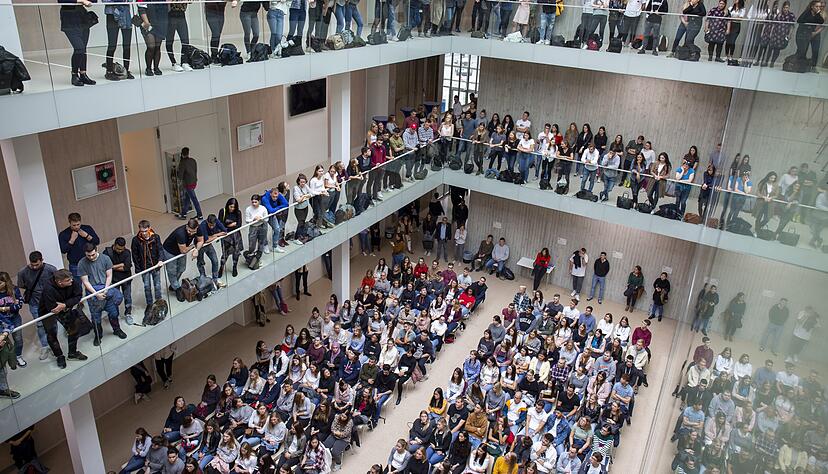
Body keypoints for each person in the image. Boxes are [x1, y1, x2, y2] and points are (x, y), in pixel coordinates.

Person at [78, 244, 127, 346]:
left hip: (106, 290)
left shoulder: (105, 259)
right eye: (88, 255)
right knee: (96, 318)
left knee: (114, 313)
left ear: (96, 250)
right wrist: (96, 294)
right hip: (93, 293)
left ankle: (117, 330)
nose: (91, 257)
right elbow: (85, 282)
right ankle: (98, 335)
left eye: (93, 255)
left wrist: (106, 289)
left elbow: (109, 276)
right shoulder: (82, 263)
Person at [38, 269, 86, 369]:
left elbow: (78, 295)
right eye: (68, 280)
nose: (71, 281)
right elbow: (52, 307)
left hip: (64, 307)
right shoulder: (48, 288)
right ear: (60, 282)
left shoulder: (72, 282)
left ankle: (72, 353)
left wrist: (65, 304)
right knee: (51, 334)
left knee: (74, 328)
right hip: (47, 312)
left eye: (71, 279)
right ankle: (59, 356)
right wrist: (64, 304)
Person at [16, 251, 57, 361]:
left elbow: (57, 283)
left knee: (53, 324)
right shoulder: (23, 272)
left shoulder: (51, 269)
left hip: (50, 301)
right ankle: (45, 346)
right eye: (32, 264)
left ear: (42, 260)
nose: (34, 267)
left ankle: (54, 344)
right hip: (34, 303)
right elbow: (21, 285)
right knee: (40, 325)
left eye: (37, 264)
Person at [162, 219, 204, 301]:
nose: (191, 233)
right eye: (189, 231)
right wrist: (193, 246)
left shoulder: (198, 229)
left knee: (182, 268)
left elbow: (201, 240)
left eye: (193, 232)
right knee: (172, 271)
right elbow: (184, 250)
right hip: (169, 251)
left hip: (181, 250)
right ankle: (177, 289)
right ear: (187, 226)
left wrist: (196, 250)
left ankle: (174, 284)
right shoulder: (180, 233)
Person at [58, 0, 96, 86]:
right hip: (69, 17)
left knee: (83, 48)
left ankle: (83, 74)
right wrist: (82, 0)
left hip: (82, 16)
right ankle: (74, 75)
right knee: (79, 48)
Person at [58, 212, 100, 277]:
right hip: (75, 264)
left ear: (80, 222)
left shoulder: (87, 228)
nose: (76, 227)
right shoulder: (64, 234)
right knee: (77, 284)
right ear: (70, 223)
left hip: (91, 260)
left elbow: (97, 241)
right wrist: (72, 240)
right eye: (74, 225)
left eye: (78, 224)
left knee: (95, 281)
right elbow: (63, 250)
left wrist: (87, 236)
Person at [103, 238, 134, 326]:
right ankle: (115, 316)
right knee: (115, 299)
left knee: (127, 297)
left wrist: (113, 267)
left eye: (122, 249)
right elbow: (106, 267)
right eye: (118, 249)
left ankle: (128, 313)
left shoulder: (127, 252)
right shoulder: (107, 253)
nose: (120, 251)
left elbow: (127, 267)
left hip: (126, 278)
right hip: (114, 280)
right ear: (114, 245)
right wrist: (121, 264)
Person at [196, 215, 227, 289]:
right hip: (200, 245)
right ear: (207, 222)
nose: (212, 227)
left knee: (215, 261)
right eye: (210, 225)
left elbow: (225, 231)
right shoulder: (203, 225)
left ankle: (215, 279)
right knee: (200, 262)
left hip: (208, 244)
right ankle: (203, 277)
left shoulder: (217, 221)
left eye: (213, 225)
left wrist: (213, 236)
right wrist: (215, 236)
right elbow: (206, 240)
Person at [793, 0, 825, 72]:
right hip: (801, 34)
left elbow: (821, 21)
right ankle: (799, 67)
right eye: (816, 6)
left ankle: (802, 68)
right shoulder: (807, 12)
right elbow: (799, 20)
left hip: (808, 34)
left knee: (809, 51)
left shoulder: (817, 15)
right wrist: (813, 19)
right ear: (812, 6)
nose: (818, 8)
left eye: (819, 7)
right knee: (802, 51)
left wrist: (817, 14)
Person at [176, 148, 202, 220]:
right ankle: (183, 214)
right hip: (194, 182)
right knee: (187, 199)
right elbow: (195, 170)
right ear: (188, 153)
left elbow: (180, 176)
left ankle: (200, 215)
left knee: (194, 199)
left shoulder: (183, 163)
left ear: (182, 154)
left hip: (188, 184)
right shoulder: (193, 160)